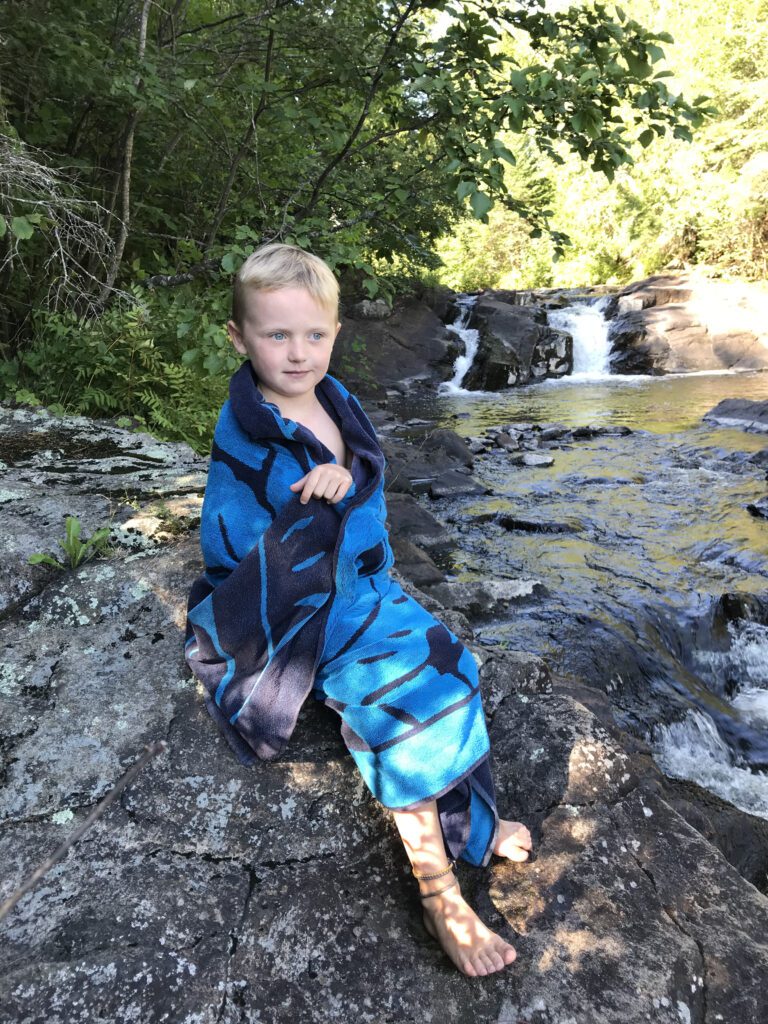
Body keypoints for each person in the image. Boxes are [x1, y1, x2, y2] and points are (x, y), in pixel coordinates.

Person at [184, 242, 533, 977]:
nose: (297, 352)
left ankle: (471, 824)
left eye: (314, 334)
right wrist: (305, 513)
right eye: (276, 335)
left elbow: (365, 478)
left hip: (364, 588)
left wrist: (346, 488)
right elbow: (234, 532)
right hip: (309, 609)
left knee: (454, 662)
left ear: (336, 334)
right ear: (238, 337)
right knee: (400, 705)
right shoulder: (249, 430)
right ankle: (440, 895)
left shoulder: (336, 398)